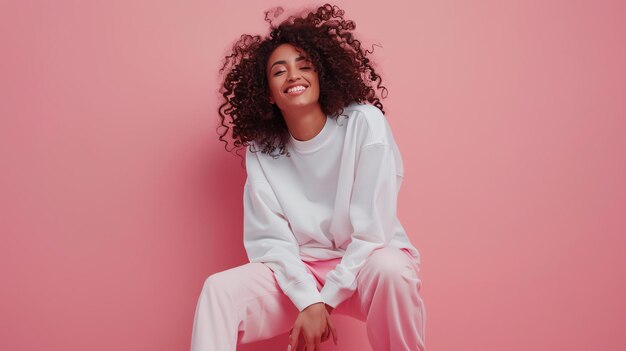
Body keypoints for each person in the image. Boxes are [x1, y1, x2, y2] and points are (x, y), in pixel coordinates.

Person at [190, 4, 426, 351]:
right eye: (279, 71)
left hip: (366, 267)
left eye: (304, 66)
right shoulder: (261, 151)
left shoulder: (363, 124)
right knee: (218, 290)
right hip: (300, 272)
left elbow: (373, 230)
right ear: (267, 93)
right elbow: (270, 241)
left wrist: (326, 299)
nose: (294, 76)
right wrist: (307, 299)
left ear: (320, 76)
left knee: (392, 268)